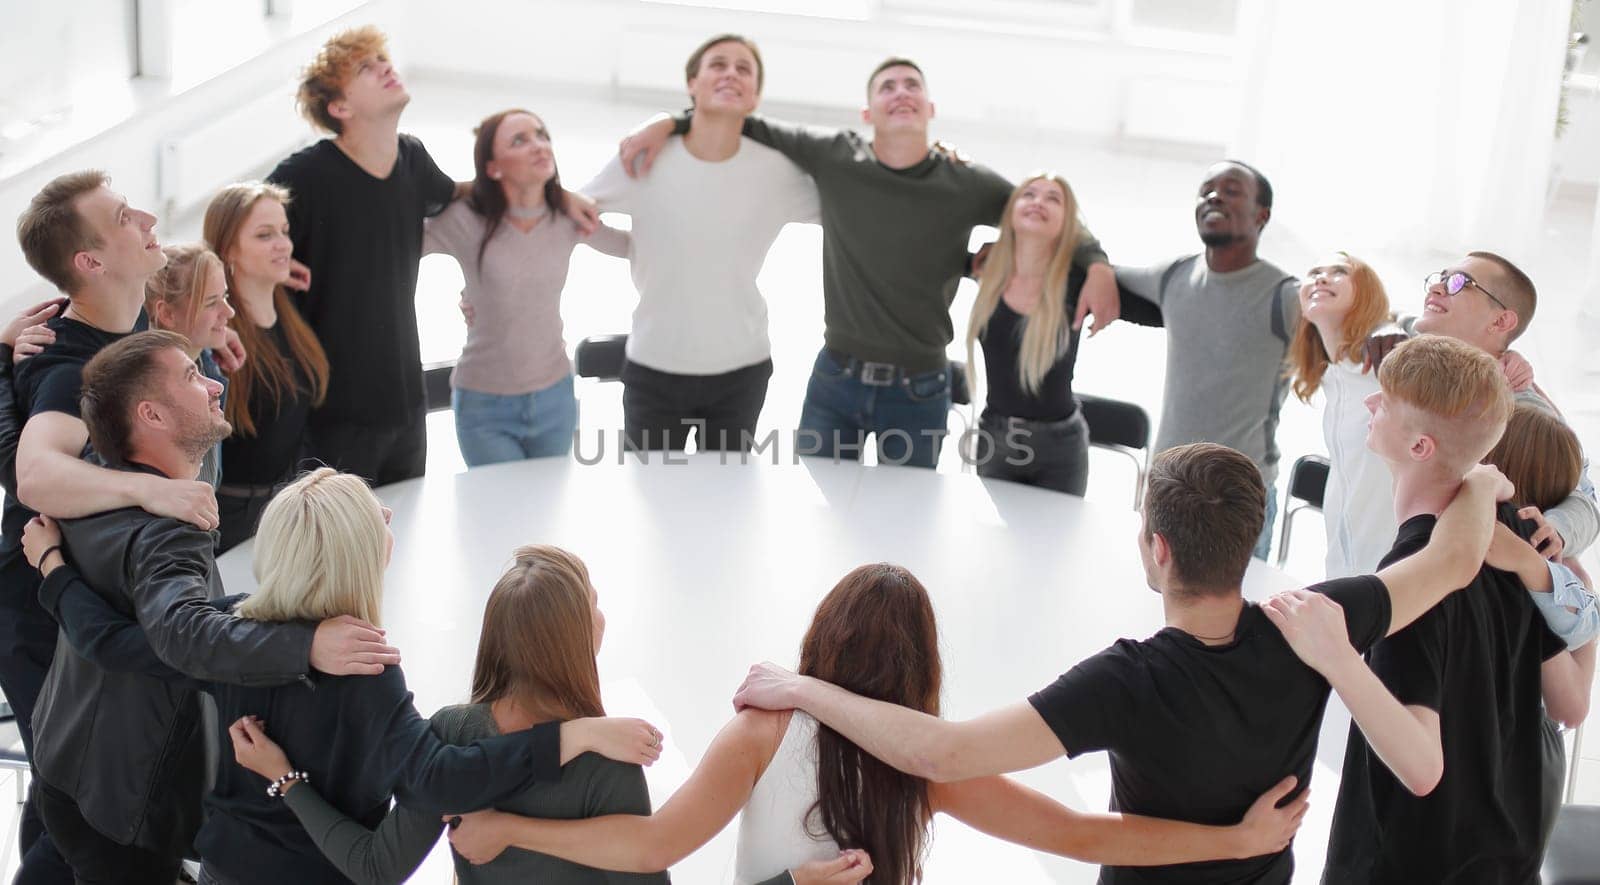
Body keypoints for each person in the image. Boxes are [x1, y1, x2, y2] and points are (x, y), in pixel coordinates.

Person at [17, 336, 657, 884]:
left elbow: (111, 644)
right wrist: (573, 735)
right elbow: (441, 779)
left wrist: (52, 570)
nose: (385, 514)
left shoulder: (235, 628)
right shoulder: (364, 671)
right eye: (371, 515)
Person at [728, 441, 1508, 883]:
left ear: (1157, 547)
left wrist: (802, 685)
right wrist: (1479, 475)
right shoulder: (1314, 622)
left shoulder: (1128, 681)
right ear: (1248, 542)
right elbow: (1455, 558)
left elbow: (943, 749)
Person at [444, 563, 1311, 884]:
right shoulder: (924, 763)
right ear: (920, 670)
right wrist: (1236, 845)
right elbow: (1084, 834)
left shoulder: (761, 730)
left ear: (821, 638)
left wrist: (508, 825)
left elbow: (651, 847)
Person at [620, 56, 1119, 468]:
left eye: (911, 86)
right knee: (820, 514)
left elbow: (1048, 211)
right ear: (867, 112)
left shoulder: (966, 183)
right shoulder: (835, 156)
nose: (900, 92)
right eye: (887, 87)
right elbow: (741, 123)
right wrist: (666, 122)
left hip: (921, 391)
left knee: (902, 528)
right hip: (835, 380)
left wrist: (1096, 263)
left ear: (929, 107)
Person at [1267, 335, 1595, 883]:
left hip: (1410, 864)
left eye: (1386, 401)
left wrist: (1338, 657)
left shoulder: (1412, 581)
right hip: (1504, 858)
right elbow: (1567, 700)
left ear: (1420, 446)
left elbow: (1421, 768)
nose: (1371, 404)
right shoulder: (1508, 536)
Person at [228, 544, 688, 884]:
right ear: (572, 641)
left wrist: (286, 780)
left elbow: (375, 867)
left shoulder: (453, 732)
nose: (602, 615)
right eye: (594, 603)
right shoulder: (609, 761)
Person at [5, 171, 223, 882]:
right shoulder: (68, 371)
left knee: (70, 795)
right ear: (91, 262)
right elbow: (34, 475)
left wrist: (206, 346)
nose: (151, 216)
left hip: (86, 593)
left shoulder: (126, 326)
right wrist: (151, 492)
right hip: (42, 603)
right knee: (79, 800)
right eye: (127, 216)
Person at [266, 26, 596, 485]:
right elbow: (237, 231)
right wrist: (270, 262)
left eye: (384, 59)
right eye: (366, 67)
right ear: (340, 108)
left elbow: (466, 195)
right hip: (332, 408)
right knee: (345, 547)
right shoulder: (303, 175)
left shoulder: (412, 158)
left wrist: (556, 196)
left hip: (405, 402)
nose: (386, 67)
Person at [582, 34, 816, 453]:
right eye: (718, 64)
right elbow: (575, 214)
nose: (731, 73)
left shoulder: (777, 172)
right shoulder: (645, 155)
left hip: (742, 372)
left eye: (744, 69)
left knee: (723, 504)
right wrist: (633, 246)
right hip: (653, 369)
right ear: (693, 83)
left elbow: (853, 216)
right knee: (651, 502)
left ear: (755, 96)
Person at [1114, 160, 1299, 559]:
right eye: (1206, 190)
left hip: (1237, 499)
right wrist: (1093, 265)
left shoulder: (1285, 295)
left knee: (1232, 622)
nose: (1213, 196)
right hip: (1165, 488)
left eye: (1231, 190)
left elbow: (1358, 323)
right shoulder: (1175, 275)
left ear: (1261, 215)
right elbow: (1106, 273)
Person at [432, 108, 628, 464]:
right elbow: (392, 243)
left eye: (542, 135)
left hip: (556, 398)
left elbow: (632, 246)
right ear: (493, 167)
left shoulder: (569, 216)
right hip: (483, 405)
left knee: (546, 512)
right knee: (502, 515)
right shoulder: (463, 220)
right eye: (520, 140)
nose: (539, 146)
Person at [1407, 252, 1599, 559]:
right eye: (1440, 278)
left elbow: (1582, 500)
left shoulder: (1523, 407)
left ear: (1501, 320)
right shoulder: (1405, 364)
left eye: (1459, 283)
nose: (1438, 288)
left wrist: (1554, 531)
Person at [203, 181, 330, 551]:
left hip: (285, 509)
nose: (284, 245)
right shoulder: (218, 338)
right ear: (228, 250)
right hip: (233, 520)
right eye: (264, 235)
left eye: (284, 232)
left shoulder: (291, 314)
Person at [964, 173, 1095, 495]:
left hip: (1062, 448)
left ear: (1068, 223)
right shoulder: (985, 268)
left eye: (1053, 198)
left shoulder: (1081, 281)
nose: (1038, 202)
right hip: (996, 437)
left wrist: (1100, 265)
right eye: (1029, 194)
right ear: (1010, 211)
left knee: (1054, 542)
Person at [1284, 252, 1393, 576]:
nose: (1321, 278)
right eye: (1314, 272)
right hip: (1343, 574)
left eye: (1339, 272)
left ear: (1367, 293)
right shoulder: (1336, 380)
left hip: (1388, 576)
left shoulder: (1388, 367)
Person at [143, 241, 235, 485]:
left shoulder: (207, 363)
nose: (229, 312)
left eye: (225, 296)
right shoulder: (151, 392)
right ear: (167, 314)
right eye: (211, 302)